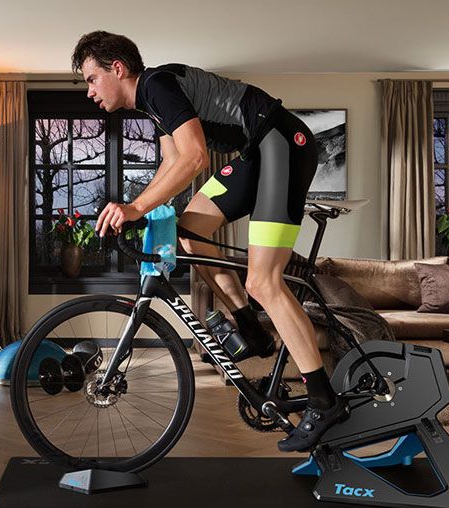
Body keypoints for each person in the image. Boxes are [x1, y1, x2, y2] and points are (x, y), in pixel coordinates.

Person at [72, 30, 345, 452]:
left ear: (118, 69)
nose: (90, 91)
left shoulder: (157, 84)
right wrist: (138, 207)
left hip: (283, 144)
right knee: (189, 234)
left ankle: (324, 400)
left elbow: (196, 156)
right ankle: (251, 330)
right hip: (259, 153)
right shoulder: (153, 103)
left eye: (91, 79)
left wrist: (136, 208)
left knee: (264, 282)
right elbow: (172, 162)